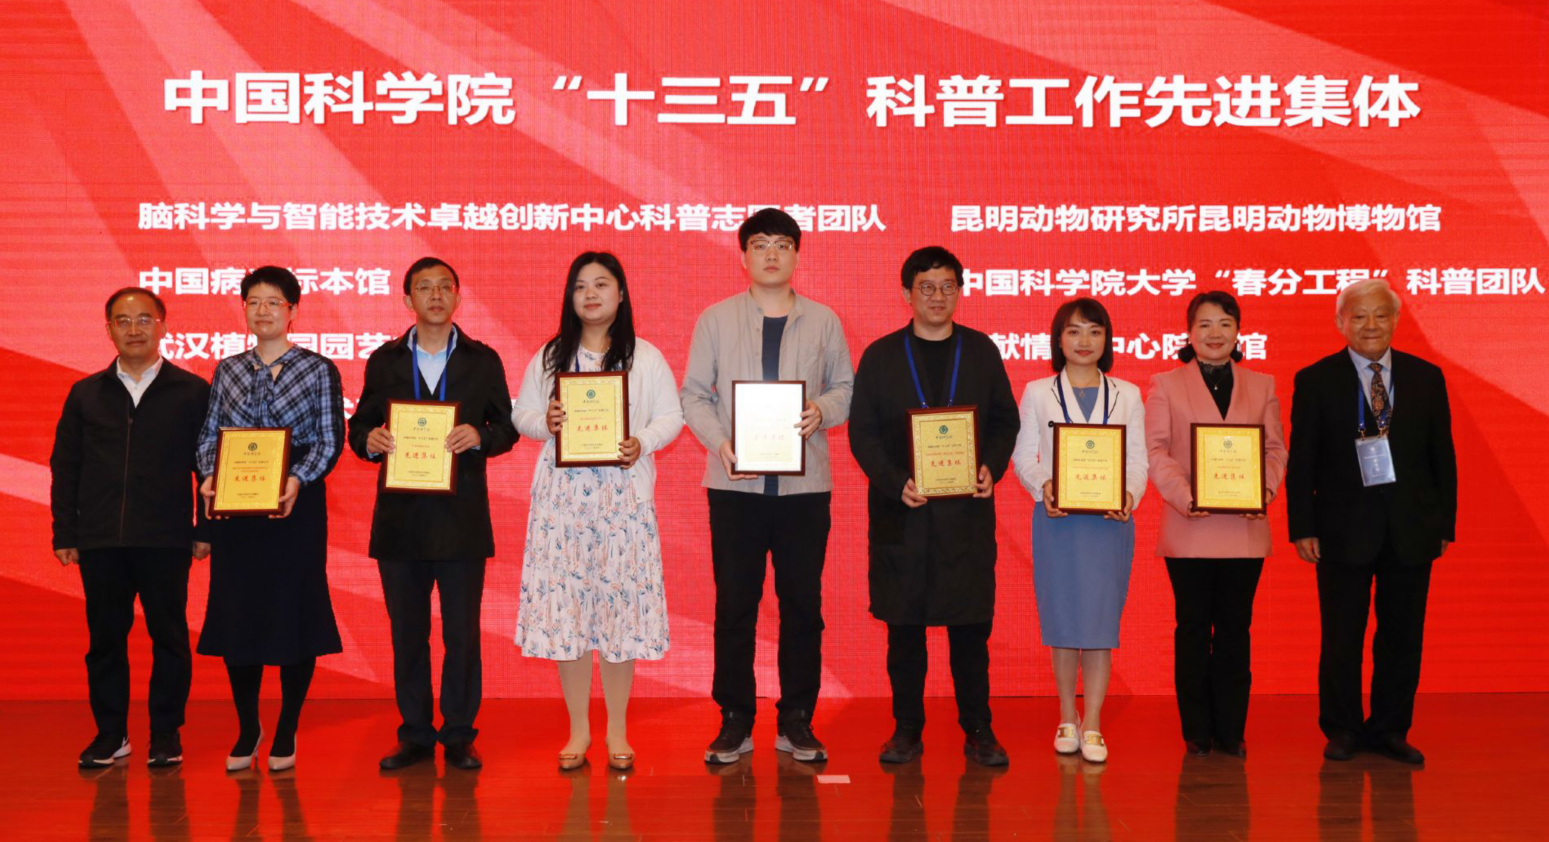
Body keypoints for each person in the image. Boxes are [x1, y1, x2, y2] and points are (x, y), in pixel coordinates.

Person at [680, 208, 854, 764]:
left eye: (782, 244)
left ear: (797, 254)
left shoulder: (824, 320)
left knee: (802, 606)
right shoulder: (715, 319)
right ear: (744, 256)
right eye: (760, 244)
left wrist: (821, 410)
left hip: (805, 489)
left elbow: (845, 388)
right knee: (736, 605)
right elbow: (693, 395)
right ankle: (734, 719)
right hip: (735, 488)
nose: (772, 254)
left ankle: (797, 719)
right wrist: (721, 444)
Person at [512, 252, 684, 771]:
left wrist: (642, 442)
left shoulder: (644, 356)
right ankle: (578, 730)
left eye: (601, 284)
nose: (590, 294)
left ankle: (617, 730)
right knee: (567, 615)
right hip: (561, 507)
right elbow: (521, 416)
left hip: (623, 505)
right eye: (581, 286)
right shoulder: (550, 356)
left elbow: (671, 416)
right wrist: (546, 420)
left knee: (618, 614)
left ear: (621, 294)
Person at [848, 247, 1020, 767]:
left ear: (960, 292)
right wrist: (893, 481)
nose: (938, 296)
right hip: (903, 513)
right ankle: (906, 729)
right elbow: (862, 433)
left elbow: (1005, 421)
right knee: (904, 633)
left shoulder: (981, 351)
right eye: (927, 287)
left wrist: (991, 466)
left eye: (948, 286)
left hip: (965, 518)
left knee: (971, 632)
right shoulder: (881, 356)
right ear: (907, 293)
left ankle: (979, 728)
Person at [348, 256, 518, 771]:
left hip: (460, 520)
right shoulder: (384, 360)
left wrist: (480, 436)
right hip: (400, 522)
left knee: (461, 635)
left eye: (445, 287)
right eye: (425, 287)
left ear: (458, 298)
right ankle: (416, 734)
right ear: (408, 300)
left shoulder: (482, 360)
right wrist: (370, 441)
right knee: (408, 635)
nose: (436, 295)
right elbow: (359, 428)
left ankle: (460, 734)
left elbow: (507, 428)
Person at [1285, 279, 1456, 765]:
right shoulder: (1315, 379)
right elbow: (1303, 460)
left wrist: (1444, 524)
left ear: (1396, 320)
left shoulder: (1426, 377)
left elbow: (1442, 455)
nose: (1370, 325)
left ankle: (1390, 728)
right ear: (1340, 322)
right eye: (1358, 316)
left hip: (1412, 528)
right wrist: (1302, 526)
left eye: (1380, 315)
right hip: (1341, 529)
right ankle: (1342, 728)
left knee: (1402, 636)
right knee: (1342, 636)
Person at [51, 288, 210, 769]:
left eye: (144, 319)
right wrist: (65, 533)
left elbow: (209, 467)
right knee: (104, 642)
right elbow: (66, 466)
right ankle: (111, 734)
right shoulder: (85, 393)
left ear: (163, 326)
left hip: (166, 538)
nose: (134, 329)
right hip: (100, 539)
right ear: (109, 330)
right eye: (123, 320)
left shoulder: (192, 391)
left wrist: (206, 528)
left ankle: (165, 734)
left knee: (170, 638)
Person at [195, 266, 345, 772]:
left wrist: (298, 478)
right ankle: (247, 726)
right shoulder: (228, 369)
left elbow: (330, 438)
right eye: (253, 302)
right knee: (239, 613)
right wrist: (209, 474)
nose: (263, 311)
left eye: (273, 302)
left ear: (293, 310)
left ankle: (286, 727)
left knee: (293, 612)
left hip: (294, 506)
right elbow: (209, 434)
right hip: (237, 506)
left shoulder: (318, 369)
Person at [1144, 291, 1287, 758]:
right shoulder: (1165, 384)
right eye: (1204, 324)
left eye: (1225, 323)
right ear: (1189, 333)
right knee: (1192, 628)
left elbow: (1275, 450)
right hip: (1189, 528)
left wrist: (1263, 492)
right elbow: (1157, 451)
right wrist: (1186, 497)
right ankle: (1196, 731)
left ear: (1238, 331)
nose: (1214, 333)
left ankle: (1231, 730)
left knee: (1234, 630)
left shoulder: (1262, 384)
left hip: (1244, 529)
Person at [1011, 297, 1147, 763]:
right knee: (1065, 622)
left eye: (1094, 331)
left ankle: (1093, 725)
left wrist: (1129, 494)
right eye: (1073, 331)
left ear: (1107, 339)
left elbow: (1138, 459)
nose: (1084, 341)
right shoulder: (1037, 392)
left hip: (1110, 523)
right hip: (1058, 520)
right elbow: (1024, 455)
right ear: (1059, 339)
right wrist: (1043, 486)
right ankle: (1067, 716)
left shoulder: (1128, 394)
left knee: (1100, 624)